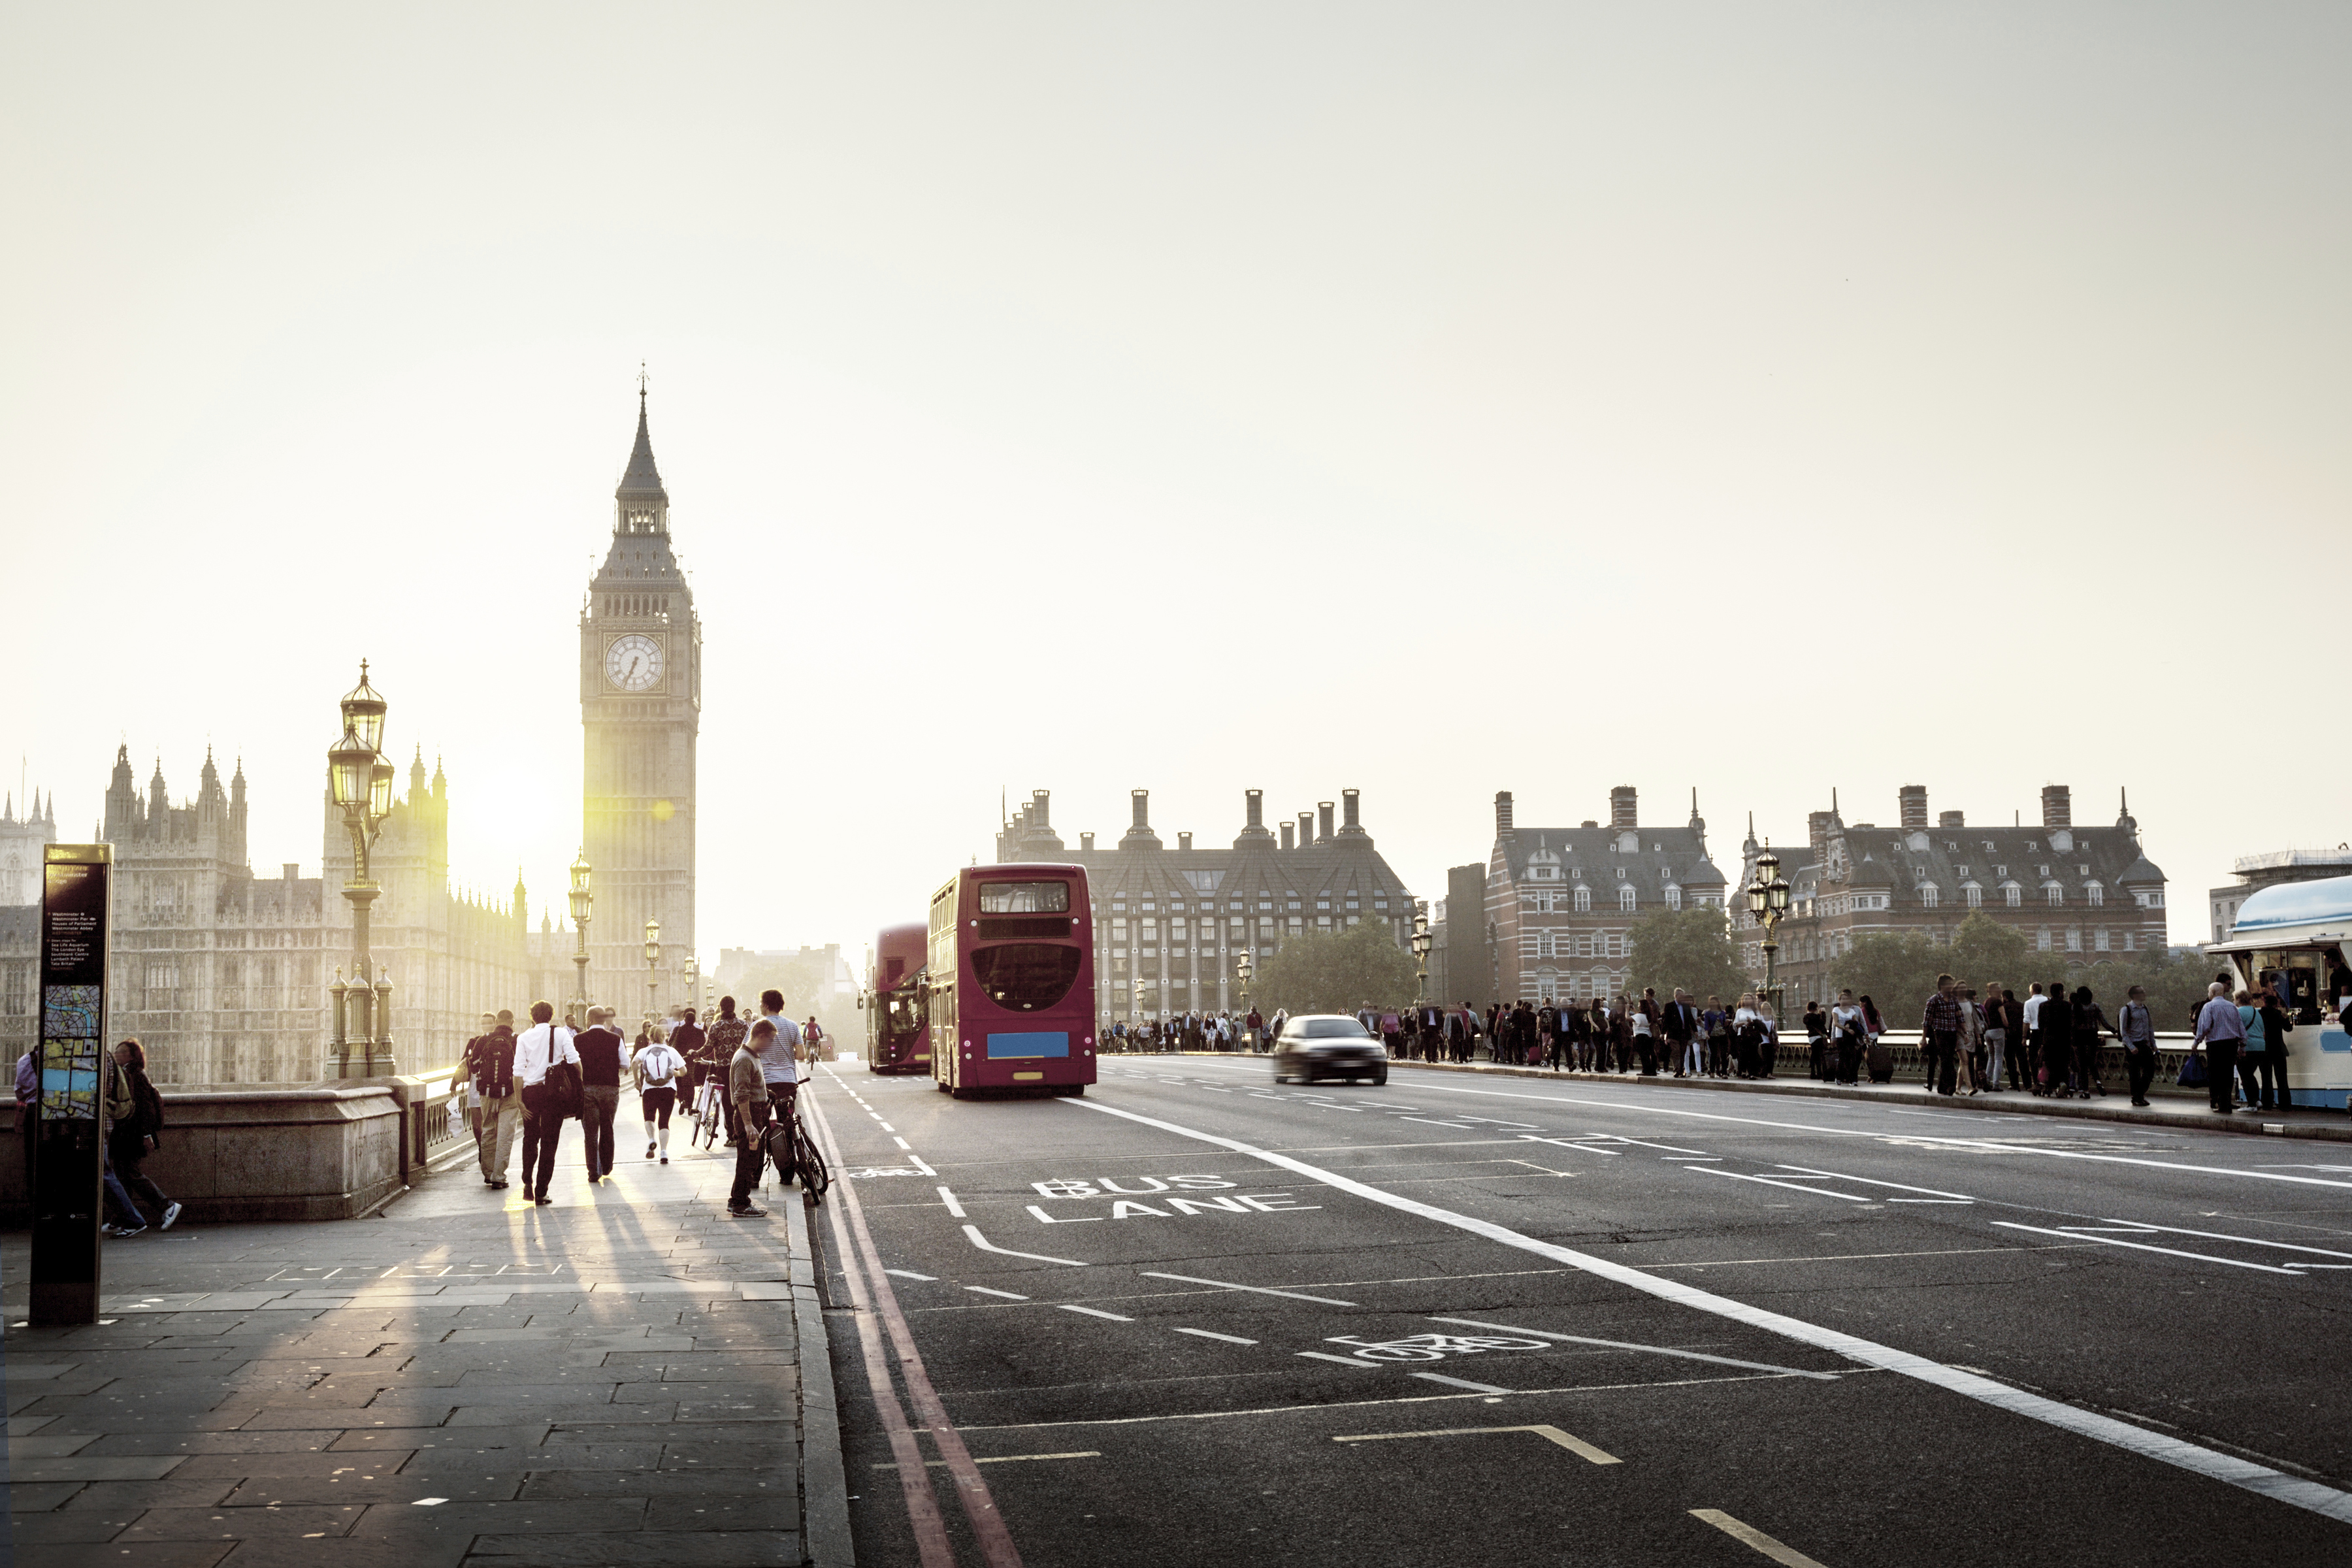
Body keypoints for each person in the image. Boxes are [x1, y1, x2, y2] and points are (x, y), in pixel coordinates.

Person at [106, 1039, 181, 1234]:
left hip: (134, 1134)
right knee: (122, 1174)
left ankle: (166, 1206)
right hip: (126, 1133)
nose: (116, 1055)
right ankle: (121, 1217)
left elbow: (145, 1109)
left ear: (132, 1056)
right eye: (116, 1051)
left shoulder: (136, 1075)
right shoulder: (125, 1073)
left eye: (121, 1052)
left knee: (130, 1173)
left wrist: (147, 1135)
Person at [515, 1001, 579, 1205]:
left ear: (532, 1017)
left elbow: (517, 1072)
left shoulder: (523, 1037)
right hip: (553, 1093)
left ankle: (527, 1180)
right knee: (549, 1142)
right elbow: (574, 1060)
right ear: (551, 1016)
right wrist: (579, 1086)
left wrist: (519, 1101)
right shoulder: (560, 1034)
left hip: (531, 1093)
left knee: (530, 1138)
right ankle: (541, 1191)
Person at [755, 990, 805, 1187]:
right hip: (788, 1083)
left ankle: (756, 1175)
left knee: (764, 1127)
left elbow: (749, 1052)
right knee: (788, 1125)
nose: (759, 1006)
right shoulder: (792, 1026)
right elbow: (801, 1055)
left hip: (765, 1085)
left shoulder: (756, 1027)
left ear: (766, 1006)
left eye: (761, 1003)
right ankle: (789, 1173)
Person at [728, 1019, 776, 1217]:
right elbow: (742, 1094)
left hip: (757, 1112)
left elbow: (752, 1086)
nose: (771, 1044)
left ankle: (736, 1200)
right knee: (747, 1161)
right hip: (749, 1116)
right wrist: (748, 1124)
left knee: (751, 1160)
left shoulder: (752, 1056)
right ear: (761, 1036)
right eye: (771, 1040)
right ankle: (741, 1204)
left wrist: (766, 1093)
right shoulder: (744, 1059)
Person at [468, 1010, 519, 1188]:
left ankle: (488, 1173)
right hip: (511, 1093)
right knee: (505, 1134)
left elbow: (473, 1066)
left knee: (488, 1130)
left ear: (497, 1021)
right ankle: (499, 1176)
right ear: (512, 1022)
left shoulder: (483, 1040)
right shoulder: (516, 1039)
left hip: (486, 1093)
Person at [574, 1007, 627, 1180]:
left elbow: (571, 1062)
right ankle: (606, 1166)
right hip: (610, 1089)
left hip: (587, 1089)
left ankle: (593, 1172)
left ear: (588, 1020)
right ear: (604, 1020)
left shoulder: (578, 1039)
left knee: (590, 1133)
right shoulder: (616, 1039)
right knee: (607, 1128)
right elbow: (626, 1063)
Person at [2191, 981, 2246, 1114]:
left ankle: (2220, 1104)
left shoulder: (2209, 1007)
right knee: (2228, 1075)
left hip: (2215, 1045)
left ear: (2212, 992)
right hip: (2231, 1045)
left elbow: (2204, 1027)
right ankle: (2227, 1103)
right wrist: (2242, 1046)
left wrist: (2196, 1043)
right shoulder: (2232, 1007)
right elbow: (2241, 1028)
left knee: (2216, 1075)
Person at [633, 1023, 685, 1162]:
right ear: (664, 1037)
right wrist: (676, 1074)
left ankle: (651, 1139)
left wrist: (637, 1080)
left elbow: (634, 1063)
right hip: (668, 1089)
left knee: (649, 1117)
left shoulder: (644, 1051)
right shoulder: (671, 1051)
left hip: (649, 1089)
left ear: (650, 1037)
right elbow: (684, 1071)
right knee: (664, 1122)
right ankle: (663, 1152)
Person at [703, 997, 747, 1145]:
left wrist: (694, 1054)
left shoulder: (715, 1027)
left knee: (728, 1104)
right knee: (742, 1100)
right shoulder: (743, 1025)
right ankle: (744, 1132)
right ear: (734, 1007)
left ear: (721, 1008)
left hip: (723, 1070)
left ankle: (732, 1136)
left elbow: (708, 1048)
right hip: (742, 1067)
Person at [2114, 985, 2159, 1107]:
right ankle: (2137, 1097)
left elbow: (2150, 1027)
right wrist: (2131, 1046)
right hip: (2133, 1045)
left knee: (2150, 1069)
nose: (2144, 994)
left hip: (2144, 1044)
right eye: (2142, 992)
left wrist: (2153, 1044)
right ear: (2135, 995)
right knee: (2135, 1073)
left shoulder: (2145, 1009)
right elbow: (2123, 1031)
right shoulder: (2126, 1009)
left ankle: (2139, 1094)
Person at [1919, 974, 1963, 1096]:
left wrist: (1965, 1032)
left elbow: (1960, 1016)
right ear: (1942, 985)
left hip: (1952, 1032)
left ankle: (1942, 1087)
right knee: (1945, 1059)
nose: (1951, 986)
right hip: (1940, 1033)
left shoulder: (1954, 1000)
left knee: (1949, 1058)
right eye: (1949, 984)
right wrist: (1924, 1038)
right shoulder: (1933, 1000)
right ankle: (1951, 1084)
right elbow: (1927, 1021)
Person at [2258, 981, 2295, 1110]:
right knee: (2282, 1078)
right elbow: (2289, 1028)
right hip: (2279, 1049)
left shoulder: (2259, 1015)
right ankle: (2285, 1104)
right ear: (2276, 1004)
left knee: (2266, 1079)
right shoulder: (2278, 1015)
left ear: (2264, 1003)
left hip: (2264, 1049)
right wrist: (2286, 1018)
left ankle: (2267, 1103)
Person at [2071, 987, 2110, 1098]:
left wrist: (2073, 1040)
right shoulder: (2095, 1006)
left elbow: (2072, 1025)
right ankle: (2098, 1082)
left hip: (2080, 1037)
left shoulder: (2076, 1007)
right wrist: (2114, 1030)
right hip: (2092, 1036)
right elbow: (2104, 1022)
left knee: (2082, 1065)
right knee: (2092, 1062)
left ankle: (2086, 1091)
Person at [1830, 990, 1866, 1086]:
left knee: (1853, 1058)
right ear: (1840, 1000)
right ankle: (1839, 1077)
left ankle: (1853, 1080)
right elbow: (1836, 1023)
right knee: (1843, 1057)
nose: (1845, 1000)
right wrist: (1846, 1029)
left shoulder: (1852, 1011)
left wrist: (1850, 1024)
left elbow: (1857, 1022)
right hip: (1841, 1036)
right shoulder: (1836, 1010)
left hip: (1851, 1037)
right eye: (1843, 999)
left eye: (1847, 998)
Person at [1664, 990, 1701, 1078]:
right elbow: (1666, 1021)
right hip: (1674, 1034)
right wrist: (1664, 1033)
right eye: (1681, 996)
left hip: (1684, 1033)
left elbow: (1691, 1019)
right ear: (1676, 996)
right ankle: (1677, 1070)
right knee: (1676, 1052)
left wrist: (1695, 1031)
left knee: (1682, 1052)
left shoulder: (1686, 1007)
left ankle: (1681, 1070)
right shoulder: (1669, 1006)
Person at [1803, 1000, 1829, 1081]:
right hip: (1818, 1037)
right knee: (1819, 1055)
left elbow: (1813, 1022)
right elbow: (1822, 1023)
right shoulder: (1815, 1017)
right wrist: (1823, 1013)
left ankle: (1813, 1072)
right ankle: (1819, 1073)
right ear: (1815, 1009)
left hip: (1811, 1038)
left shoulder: (1806, 1017)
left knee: (1814, 1055)